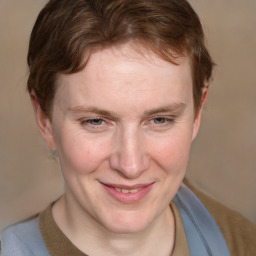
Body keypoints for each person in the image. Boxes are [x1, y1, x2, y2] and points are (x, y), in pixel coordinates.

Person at [1, 0, 256, 255]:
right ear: (44, 119)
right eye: (96, 121)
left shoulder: (243, 246)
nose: (130, 166)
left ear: (197, 113)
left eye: (160, 120)